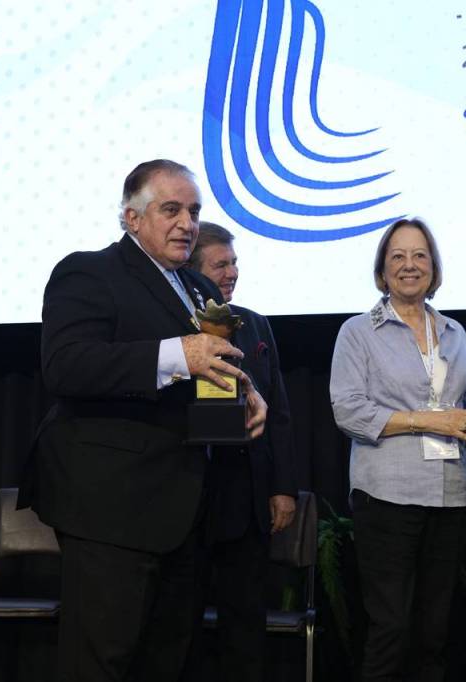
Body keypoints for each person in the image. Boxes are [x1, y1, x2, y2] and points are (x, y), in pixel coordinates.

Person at [27, 160, 268, 682]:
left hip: (187, 512)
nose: (187, 223)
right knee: (101, 664)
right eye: (171, 210)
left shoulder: (199, 289)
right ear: (132, 218)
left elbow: (208, 367)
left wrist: (245, 394)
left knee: (168, 662)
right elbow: (66, 365)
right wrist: (180, 354)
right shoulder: (88, 272)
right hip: (111, 511)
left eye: (194, 212)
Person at [329, 218, 466, 681]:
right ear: (382, 270)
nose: (409, 265)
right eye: (397, 256)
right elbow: (349, 411)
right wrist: (428, 420)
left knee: (434, 632)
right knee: (390, 629)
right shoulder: (358, 331)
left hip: (451, 495)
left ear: (433, 267)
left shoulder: (455, 333)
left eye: (420, 255)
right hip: (387, 497)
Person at [184, 222, 297, 682]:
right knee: (179, 629)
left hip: (246, 503)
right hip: (187, 502)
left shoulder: (256, 324)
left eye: (234, 263)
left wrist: (283, 488)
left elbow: (279, 413)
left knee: (246, 628)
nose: (231, 273)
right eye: (220, 265)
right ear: (194, 272)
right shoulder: (175, 330)